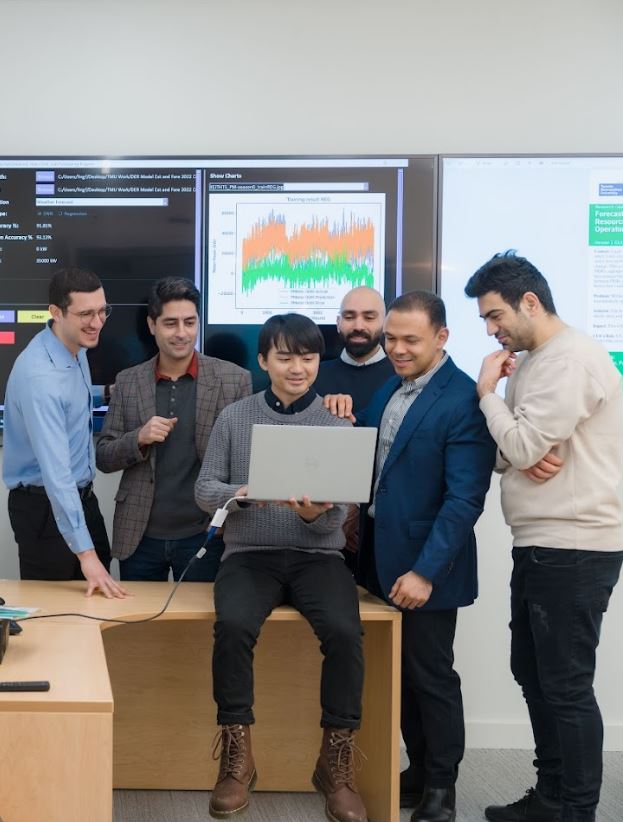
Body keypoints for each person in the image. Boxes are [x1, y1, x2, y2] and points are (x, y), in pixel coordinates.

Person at [325, 290, 496, 822]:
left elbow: (464, 499)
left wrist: (424, 572)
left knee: (431, 677)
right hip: (377, 558)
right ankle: (418, 773)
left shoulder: (463, 398)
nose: (395, 348)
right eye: (391, 338)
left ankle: (441, 790)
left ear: (442, 338)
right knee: (399, 678)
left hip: (427, 569)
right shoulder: (393, 390)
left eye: (409, 340)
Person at [465, 251, 623, 822]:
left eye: (495, 315)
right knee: (532, 673)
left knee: (566, 685)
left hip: (575, 546)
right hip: (541, 542)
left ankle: (575, 810)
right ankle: (552, 798)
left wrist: (487, 394)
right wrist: (518, 447)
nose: (490, 329)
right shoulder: (532, 362)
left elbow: (524, 446)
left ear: (530, 302)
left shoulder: (571, 359)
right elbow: (514, 455)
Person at [195, 313, 367, 822]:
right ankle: (237, 759)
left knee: (343, 630)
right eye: (286, 356)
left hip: (319, 556)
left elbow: (342, 509)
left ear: (319, 362)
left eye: (309, 357)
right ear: (264, 360)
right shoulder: (235, 417)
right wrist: (243, 496)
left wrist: (319, 515)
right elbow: (206, 492)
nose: (298, 367)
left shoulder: (336, 423)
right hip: (250, 555)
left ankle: (334, 764)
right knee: (232, 626)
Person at [95, 277, 252, 581]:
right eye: (170, 323)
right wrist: (137, 439)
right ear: (152, 325)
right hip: (140, 536)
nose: (182, 333)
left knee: (199, 627)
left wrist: (228, 517)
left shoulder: (234, 379)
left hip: (206, 531)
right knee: (138, 626)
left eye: (189, 322)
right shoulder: (128, 381)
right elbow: (104, 457)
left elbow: (245, 460)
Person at [3, 267, 127, 598]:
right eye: (86, 313)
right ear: (56, 313)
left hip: (80, 499)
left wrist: (106, 392)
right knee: (53, 612)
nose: (98, 322)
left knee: (99, 600)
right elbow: (57, 475)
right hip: (44, 507)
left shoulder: (71, 345)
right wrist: (85, 555)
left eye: (103, 311)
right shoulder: (39, 378)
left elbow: (71, 394)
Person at [313, 285, 394, 412]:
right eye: (349, 317)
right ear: (338, 323)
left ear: (385, 323)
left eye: (369, 318)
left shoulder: (402, 377)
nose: (358, 326)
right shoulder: (312, 375)